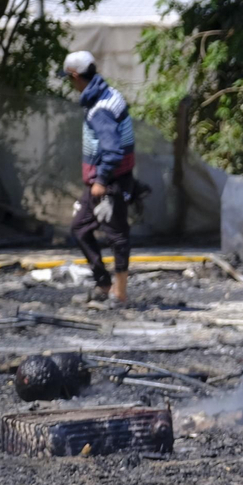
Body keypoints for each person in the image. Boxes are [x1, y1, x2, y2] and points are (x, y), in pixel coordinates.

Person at [63, 50, 136, 304]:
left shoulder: (100, 109)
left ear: (75, 76)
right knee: (80, 228)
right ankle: (104, 284)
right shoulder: (107, 95)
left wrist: (102, 180)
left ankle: (121, 293)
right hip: (103, 179)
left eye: (69, 79)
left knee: (116, 234)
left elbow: (113, 149)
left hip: (109, 181)